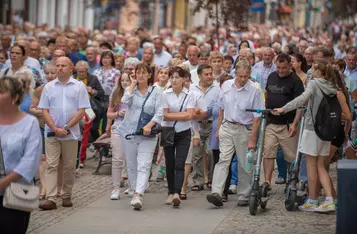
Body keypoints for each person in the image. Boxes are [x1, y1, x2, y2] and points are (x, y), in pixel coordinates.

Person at [274, 59, 350, 213]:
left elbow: (301, 100)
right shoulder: (332, 86)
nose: (311, 71)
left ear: (319, 72)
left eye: (314, 69)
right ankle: (328, 199)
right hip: (326, 131)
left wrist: (283, 109)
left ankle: (314, 200)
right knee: (321, 166)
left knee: (311, 165)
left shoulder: (314, 84)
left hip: (312, 129)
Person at [206, 60, 264, 207]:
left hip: (244, 128)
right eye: (240, 76)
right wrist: (219, 128)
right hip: (227, 126)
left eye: (246, 76)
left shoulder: (255, 89)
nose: (243, 79)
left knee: (244, 163)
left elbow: (257, 118)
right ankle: (217, 192)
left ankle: (244, 194)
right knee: (223, 159)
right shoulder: (226, 85)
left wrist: (252, 138)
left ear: (249, 74)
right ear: (235, 74)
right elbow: (221, 108)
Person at [38, 57, 91, 210]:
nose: (60, 68)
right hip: (52, 133)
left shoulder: (79, 86)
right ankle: (51, 198)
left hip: (71, 133)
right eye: (58, 65)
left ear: (71, 68)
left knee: (68, 166)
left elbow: (82, 111)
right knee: (52, 165)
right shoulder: (48, 87)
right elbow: (44, 110)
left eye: (63, 65)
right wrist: (55, 128)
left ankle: (66, 195)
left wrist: (67, 127)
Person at [0, 75, 42, 234]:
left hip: (15, 192)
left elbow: (30, 161)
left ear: (14, 98)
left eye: (0, 92)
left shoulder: (29, 123)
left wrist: (3, 183)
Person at [118, 63, 162, 210]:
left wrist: (150, 125)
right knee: (131, 166)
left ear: (149, 75)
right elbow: (124, 101)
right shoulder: (130, 90)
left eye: (144, 73)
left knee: (144, 164)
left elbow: (160, 112)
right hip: (129, 132)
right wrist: (132, 84)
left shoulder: (156, 91)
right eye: (138, 73)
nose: (141, 75)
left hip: (147, 134)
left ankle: (138, 195)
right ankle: (134, 189)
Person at [263, 53, 305, 190]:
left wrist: (294, 124)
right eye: (278, 67)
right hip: (271, 122)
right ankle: (267, 182)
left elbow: (300, 105)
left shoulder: (296, 81)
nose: (280, 70)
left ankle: (291, 180)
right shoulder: (271, 76)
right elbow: (267, 93)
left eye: (284, 68)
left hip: (288, 123)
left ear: (290, 65)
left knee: (290, 156)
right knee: (268, 152)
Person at [161, 66, 196, 207]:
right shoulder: (165, 94)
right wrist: (182, 115)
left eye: (177, 77)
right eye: (172, 77)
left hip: (184, 132)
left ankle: (177, 192)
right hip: (168, 130)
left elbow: (190, 115)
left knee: (180, 163)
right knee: (170, 162)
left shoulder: (190, 95)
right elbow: (164, 114)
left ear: (183, 79)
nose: (174, 80)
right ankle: (170, 192)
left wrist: (172, 115)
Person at [29, 61, 58, 200]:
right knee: (42, 158)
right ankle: (44, 188)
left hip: (58, 127)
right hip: (42, 127)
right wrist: (42, 112)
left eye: (53, 73)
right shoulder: (40, 89)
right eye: (47, 73)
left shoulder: (62, 88)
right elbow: (31, 107)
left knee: (56, 160)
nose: (50, 76)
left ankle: (57, 187)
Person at [190, 64, 219, 191]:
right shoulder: (192, 88)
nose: (209, 76)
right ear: (199, 76)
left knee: (210, 152)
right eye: (206, 74)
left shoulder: (217, 88)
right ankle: (198, 181)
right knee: (197, 154)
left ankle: (212, 180)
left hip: (211, 123)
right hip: (196, 124)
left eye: (210, 74)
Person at [106, 72, 131, 200]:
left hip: (132, 128)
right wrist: (117, 113)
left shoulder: (136, 93)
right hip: (118, 126)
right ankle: (116, 189)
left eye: (127, 80)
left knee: (131, 159)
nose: (125, 83)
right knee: (117, 159)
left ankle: (132, 186)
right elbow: (108, 114)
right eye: (123, 80)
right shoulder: (116, 93)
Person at [75, 60, 105, 166]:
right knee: (77, 134)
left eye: (83, 72)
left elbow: (102, 92)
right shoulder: (73, 79)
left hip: (90, 109)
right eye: (79, 72)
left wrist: (93, 91)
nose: (81, 74)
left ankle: (84, 156)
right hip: (75, 109)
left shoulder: (93, 78)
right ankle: (78, 158)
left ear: (87, 71)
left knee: (88, 132)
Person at [92, 50, 121, 141]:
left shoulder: (116, 72)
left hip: (109, 100)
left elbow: (117, 87)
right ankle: (95, 144)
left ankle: (105, 149)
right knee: (94, 125)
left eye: (107, 58)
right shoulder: (96, 71)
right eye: (103, 57)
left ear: (112, 60)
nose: (105, 60)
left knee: (106, 125)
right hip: (96, 100)